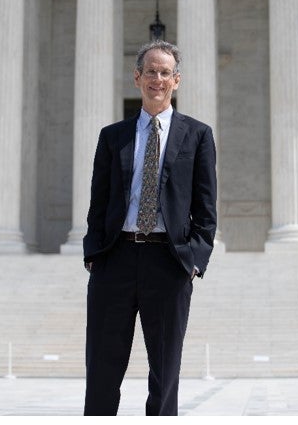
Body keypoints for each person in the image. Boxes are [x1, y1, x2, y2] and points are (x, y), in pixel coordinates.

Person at [83, 40, 217, 416]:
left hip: (169, 262)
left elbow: (206, 208)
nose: (157, 79)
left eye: (165, 73)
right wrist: (94, 254)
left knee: (165, 374)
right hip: (115, 260)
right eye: (150, 72)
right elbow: (99, 201)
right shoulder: (113, 136)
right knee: (102, 372)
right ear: (137, 78)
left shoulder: (198, 135)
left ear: (177, 80)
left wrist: (194, 260)